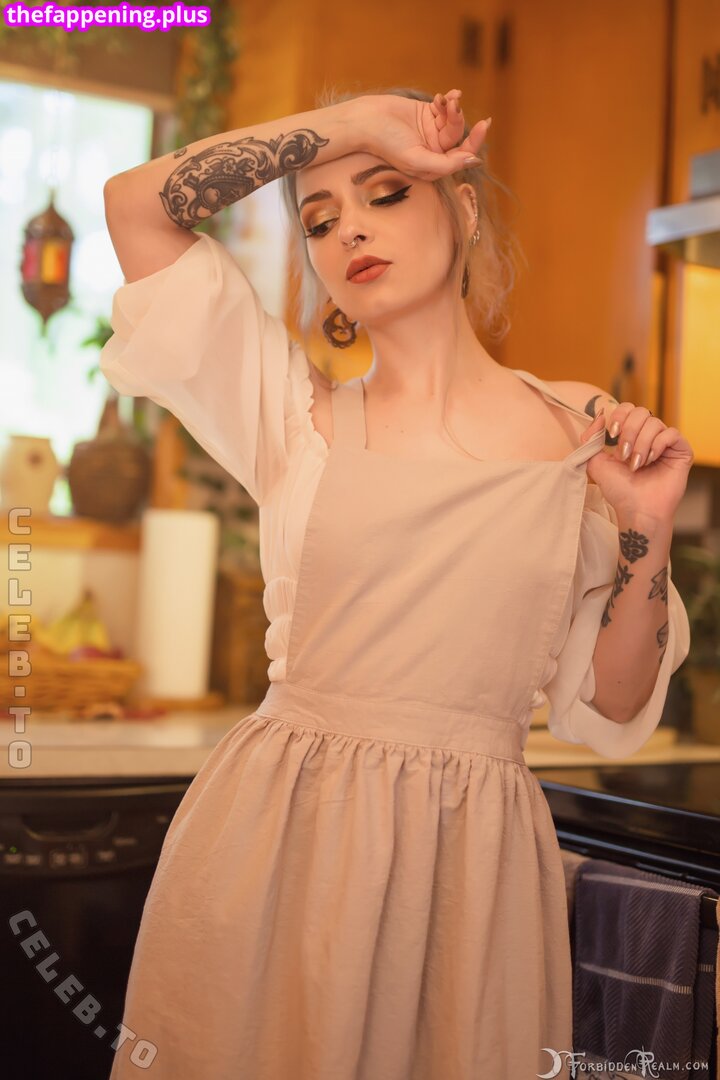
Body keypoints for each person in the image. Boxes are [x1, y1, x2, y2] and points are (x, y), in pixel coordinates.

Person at [100, 86, 693, 1080]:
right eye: (319, 220)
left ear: (463, 208)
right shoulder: (290, 415)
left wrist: (646, 527)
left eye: (386, 192)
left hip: (472, 875)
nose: (350, 230)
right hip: (277, 846)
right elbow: (135, 205)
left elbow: (616, 701)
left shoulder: (576, 432)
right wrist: (358, 126)